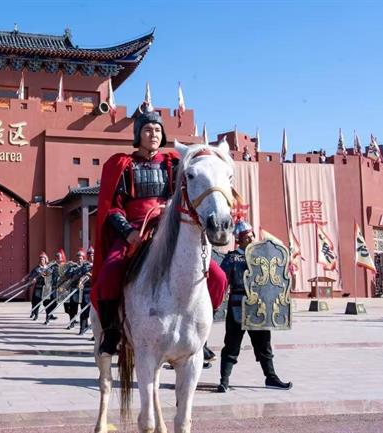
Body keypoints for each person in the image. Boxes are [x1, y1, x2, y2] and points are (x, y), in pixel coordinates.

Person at [91, 109, 227, 356]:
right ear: (138, 134)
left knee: (218, 276)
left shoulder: (174, 164)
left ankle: (201, 335)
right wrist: (128, 232)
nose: (153, 134)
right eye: (147, 129)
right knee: (110, 272)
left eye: (157, 130)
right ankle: (111, 333)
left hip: (171, 228)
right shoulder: (124, 165)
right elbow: (113, 209)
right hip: (136, 230)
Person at [216, 220, 293, 392]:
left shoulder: (263, 256)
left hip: (260, 306)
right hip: (238, 306)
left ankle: (271, 378)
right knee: (231, 345)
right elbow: (222, 280)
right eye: (247, 237)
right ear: (239, 240)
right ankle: (224, 381)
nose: (251, 239)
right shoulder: (232, 258)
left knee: (264, 345)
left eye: (252, 236)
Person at [27, 252, 50, 321]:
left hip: (46, 288)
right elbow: (31, 276)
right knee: (36, 301)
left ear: (45, 260)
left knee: (47, 303)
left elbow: (51, 276)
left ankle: (47, 318)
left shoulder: (49, 268)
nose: (41, 260)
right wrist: (32, 279)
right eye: (40, 259)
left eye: (43, 259)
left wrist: (46, 276)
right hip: (38, 287)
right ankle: (36, 315)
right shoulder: (37, 269)